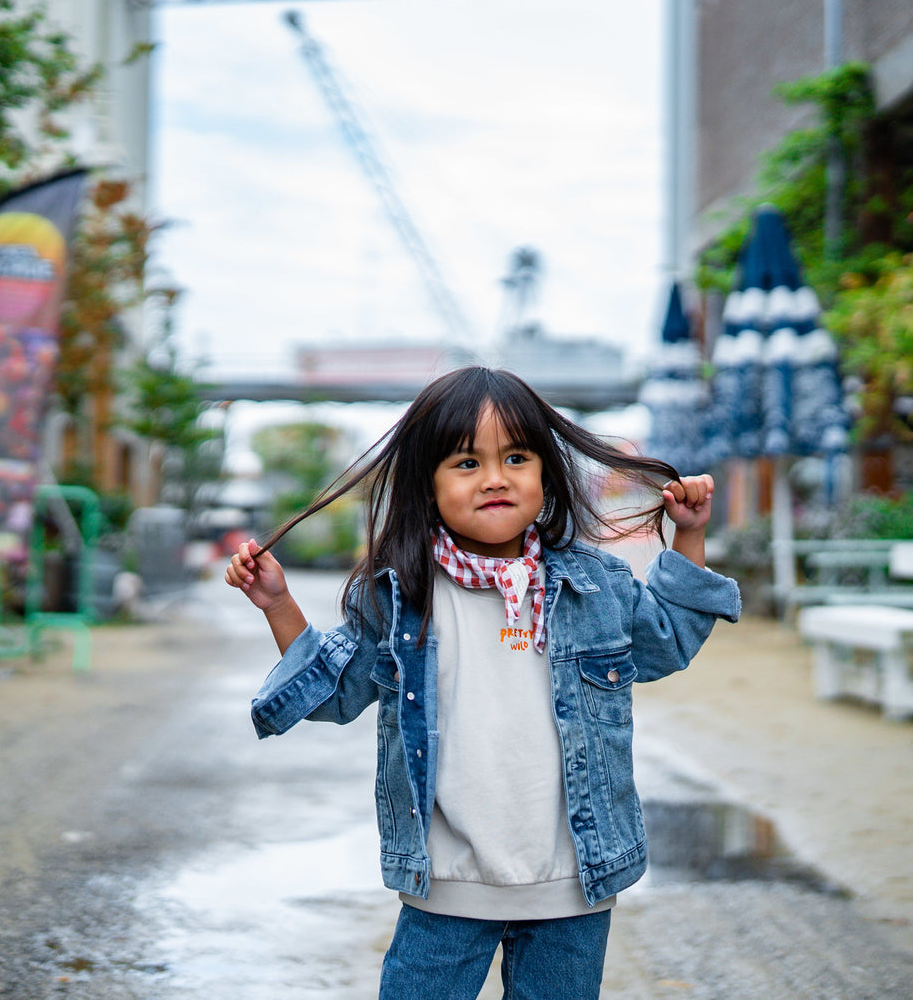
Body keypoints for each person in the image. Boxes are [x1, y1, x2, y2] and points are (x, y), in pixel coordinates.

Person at [224, 366, 740, 1000]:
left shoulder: (593, 583)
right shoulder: (397, 595)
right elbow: (336, 693)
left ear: (545, 473)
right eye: (466, 463)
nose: (496, 477)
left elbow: (669, 639)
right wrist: (278, 604)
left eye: (516, 457)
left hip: (573, 883)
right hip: (447, 883)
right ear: (427, 485)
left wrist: (689, 533)